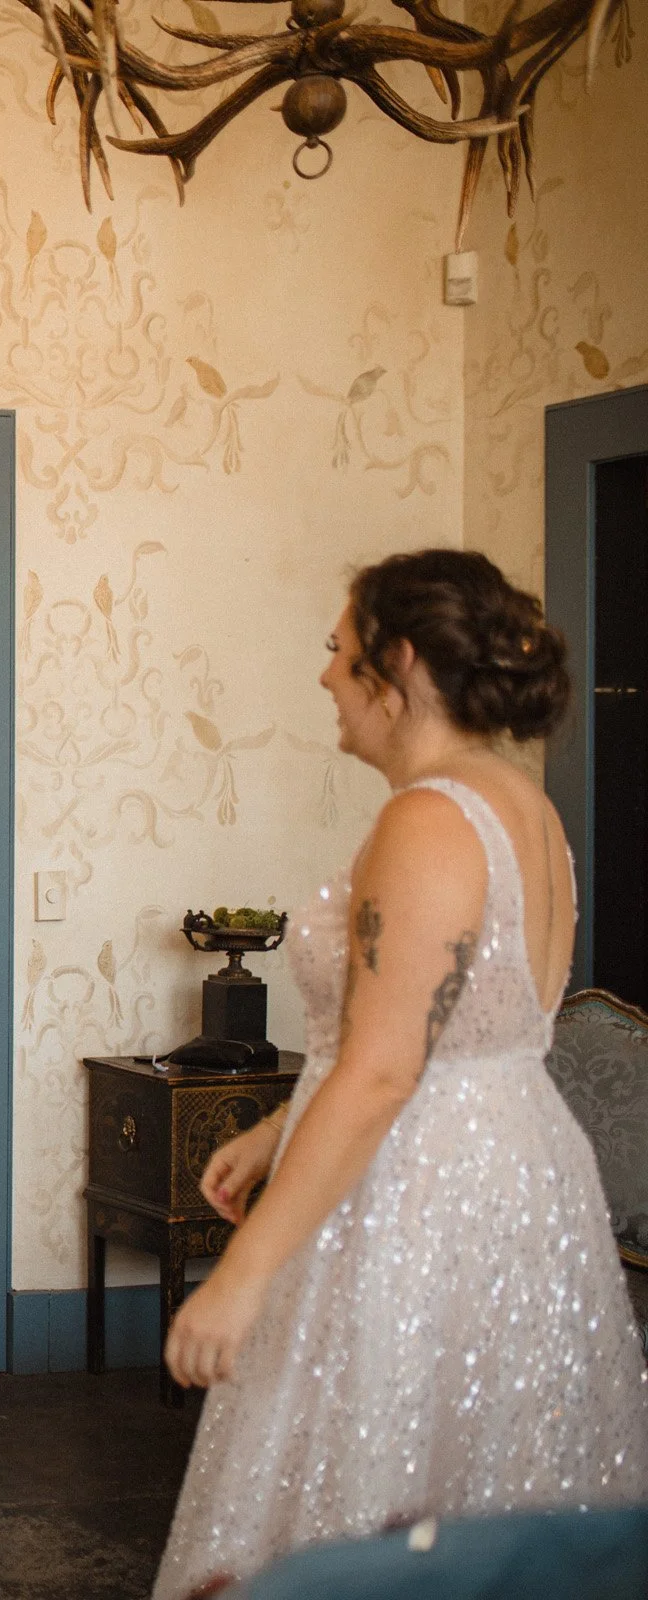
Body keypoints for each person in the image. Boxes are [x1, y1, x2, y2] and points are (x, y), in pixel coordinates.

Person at [154, 550, 648, 1598]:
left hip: (424, 1192)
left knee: (386, 1486)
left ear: (402, 663)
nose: (325, 675)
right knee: (489, 1491)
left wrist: (239, 1280)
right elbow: (456, 1029)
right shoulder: (523, 804)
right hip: (514, 1171)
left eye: (340, 652)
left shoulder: (429, 820)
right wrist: (279, 1127)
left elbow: (384, 1073)